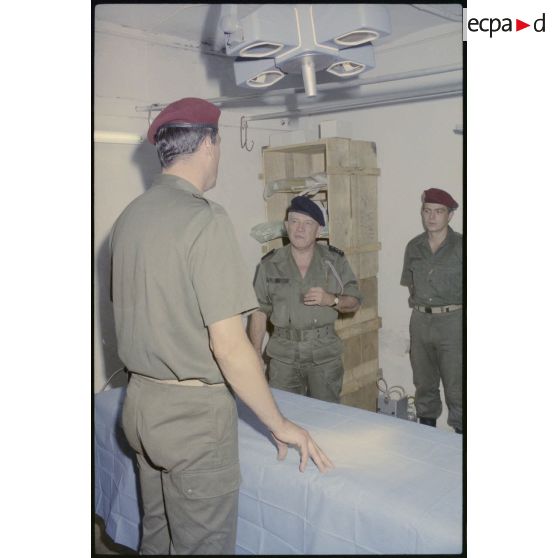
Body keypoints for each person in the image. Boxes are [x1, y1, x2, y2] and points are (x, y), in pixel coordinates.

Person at [109, 98, 333, 555]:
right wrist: (278, 423)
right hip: (192, 419)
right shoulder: (204, 218)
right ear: (209, 144)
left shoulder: (129, 217)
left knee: (157, 536)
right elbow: (229, 346)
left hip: (141, 404)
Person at [248, 196, 362, 403]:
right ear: (286, 226)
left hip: (324, 354)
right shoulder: (269, 264)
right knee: (284, 411)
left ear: (319, 231)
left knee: (326, 413)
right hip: (283, 356)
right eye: (294, 221)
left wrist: (332, 300)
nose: (300, 228)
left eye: (308, 223)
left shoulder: (334, 261)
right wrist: (255, 352)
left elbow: (354, 301)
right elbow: (259, 312)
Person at [400, 187, 463, 434]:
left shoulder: (462, 246)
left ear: (450, 215)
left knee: (457, 387)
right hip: (420, 321)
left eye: (439, 211)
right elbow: (411, 284)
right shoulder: (413, 246)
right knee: (424, 385)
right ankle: (427, 437)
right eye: (427, 211)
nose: (432, 217)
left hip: (453, 323)